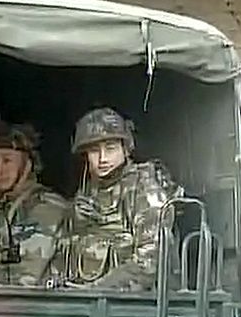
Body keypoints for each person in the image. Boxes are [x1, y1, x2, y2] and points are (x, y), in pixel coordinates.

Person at [51, 107, 184, 290]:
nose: (102, 158)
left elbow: (151, 259)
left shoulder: (143, 187)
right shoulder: (86, 194)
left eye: (110, 148)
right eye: (94, 151)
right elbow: (64, 254)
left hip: (136, 307)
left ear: (126, 149)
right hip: (88, 306)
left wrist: (97, 291)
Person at [0, 113, 71, 286]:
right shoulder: (2, 210)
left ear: (27, 165)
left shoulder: (46, 206)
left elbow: (26, 279)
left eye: (7, 161)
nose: (0, 171)